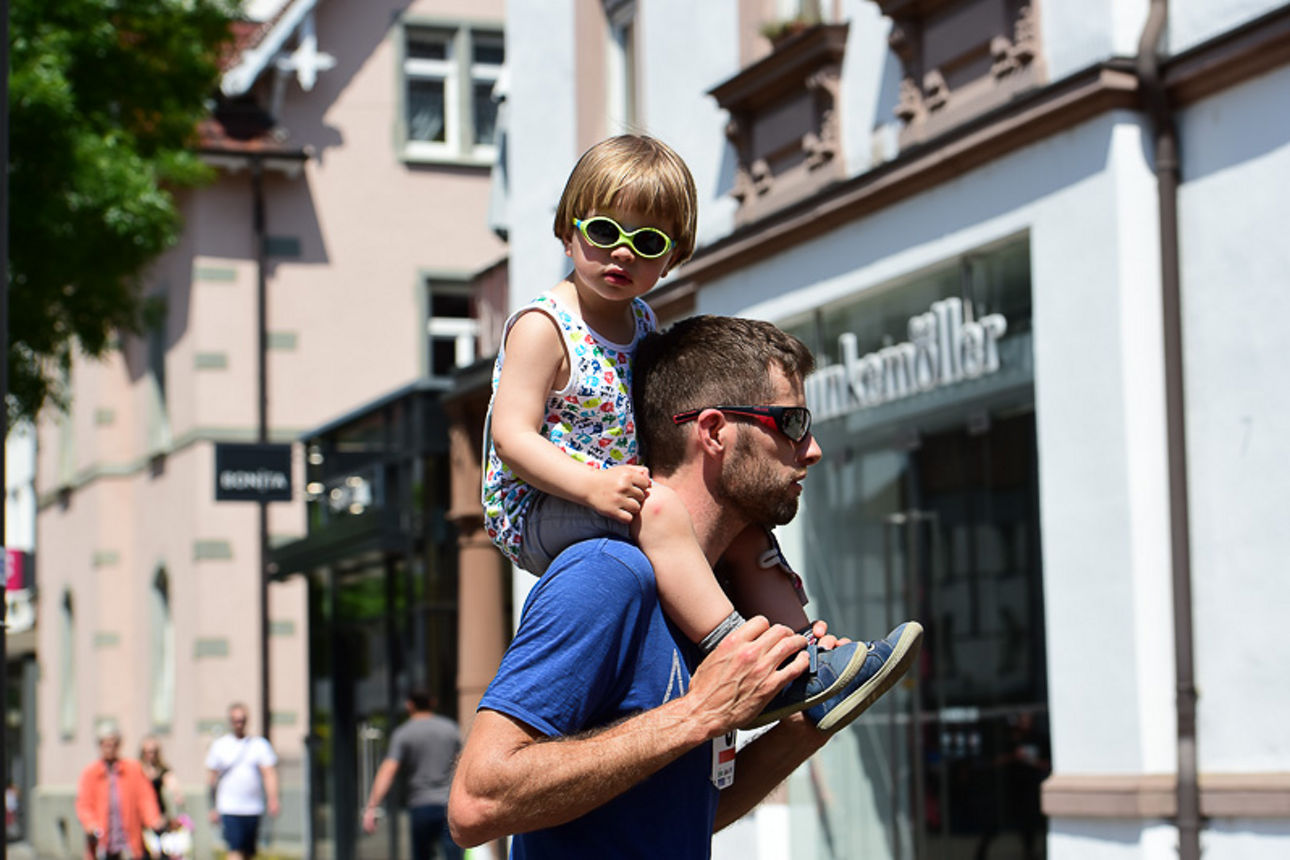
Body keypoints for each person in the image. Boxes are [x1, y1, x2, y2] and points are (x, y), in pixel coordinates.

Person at [482, 134, 917, 728]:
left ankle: (804, 658)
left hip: (620, 489)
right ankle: (739, 652)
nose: (622, 254)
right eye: (604, 232)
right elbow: (512, 437)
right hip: (537, 504)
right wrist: (590, 488)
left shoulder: (640, 319)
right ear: (568, 231)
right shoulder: (544, 326)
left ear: (672, 257)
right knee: (661, 513)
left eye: (647, 242)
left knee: (742, 524)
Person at [450, 315, 923, 856]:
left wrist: (809, 723)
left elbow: (686, 813)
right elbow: (476, 803)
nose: (810, 449)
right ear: (715, 431)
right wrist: (697, 714)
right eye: (792, 423)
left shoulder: (715, 594)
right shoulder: (607, 575)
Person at [361, 690, 463, 860]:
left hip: (420, 804)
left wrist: (372, 807)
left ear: (409, 705)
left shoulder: (404, 733)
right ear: (433, 703)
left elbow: (388, 770)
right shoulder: (450, 729)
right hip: (449, 804)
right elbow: (463, 763)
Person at [75, 724, 164, 860]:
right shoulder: (91, 773)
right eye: (106, 744)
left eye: (114, 744)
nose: (110, 748)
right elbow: (84, 804)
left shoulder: (133, 769)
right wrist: (91, 824)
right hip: (102, 843)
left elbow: (146, 798)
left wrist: (153, 820)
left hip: (128, 843)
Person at [205, 703, 279, 860]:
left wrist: (273, 798)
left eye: (242, 719)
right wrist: (212, 807)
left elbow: (269, 773)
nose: (239, 723)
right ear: (230, 721)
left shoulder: (259, 745)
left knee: (248, 852)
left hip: (253, 807)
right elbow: (211, 778)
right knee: (235, 849)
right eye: (235, 720)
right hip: (229, 807)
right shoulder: (220, 746)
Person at [139, 737, 186, 860]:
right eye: (148, 752)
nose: (151, 755)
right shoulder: (138, 770)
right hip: (142, 818)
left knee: (162, 852)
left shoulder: (162, 770)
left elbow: (172, 783)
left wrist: (177, 795)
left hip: (159, 815)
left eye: (154, 751)